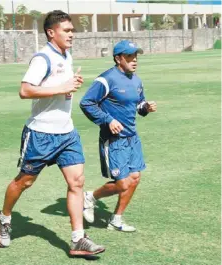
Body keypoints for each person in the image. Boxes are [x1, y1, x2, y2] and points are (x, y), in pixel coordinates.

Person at [0, 10, 105, 256]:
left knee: (77, 182)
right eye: (66, 30)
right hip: (41, 133)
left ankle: (78, 239)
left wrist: (68, 87)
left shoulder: (66, 55)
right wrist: (61, 87)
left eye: (72, 30)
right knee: (25, 182)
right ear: (51, 32)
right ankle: (4, 218)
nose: (72, 34)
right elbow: (25, 90)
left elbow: (56, 89)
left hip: (67, 132)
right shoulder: (42, 58)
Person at [80, 40, 157, 232]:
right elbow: (87, 103)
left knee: (135, 178)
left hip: (132, 138)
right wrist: (108, 120)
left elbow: (138, 105)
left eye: (136, 56)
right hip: (113, 140)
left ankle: (116, 219)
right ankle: (90, 197)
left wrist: (145, 107)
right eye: (130, 56)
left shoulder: (136, 80)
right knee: (122, 183)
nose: (134, 60)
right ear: (118, 58)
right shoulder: (106, 79)